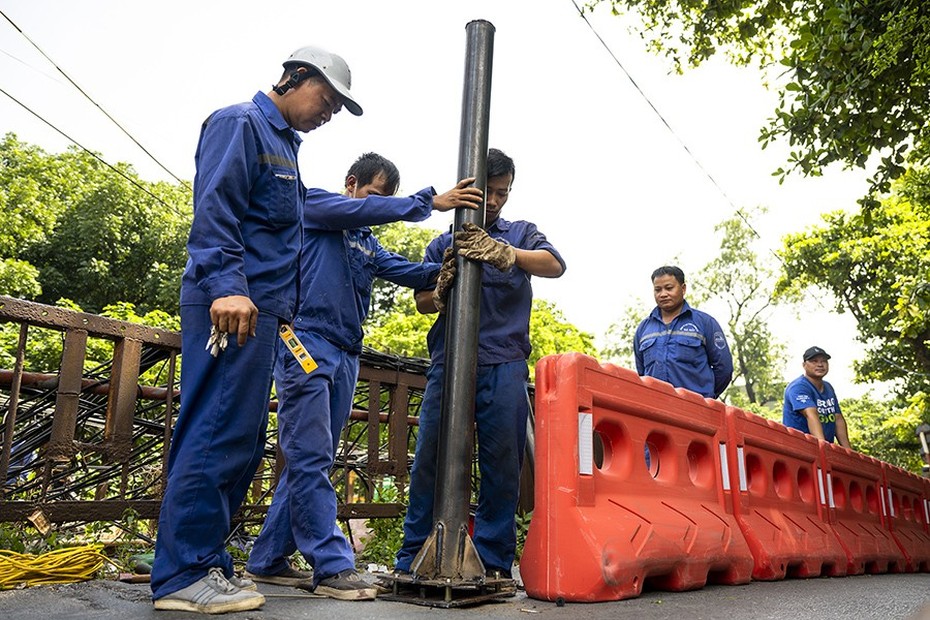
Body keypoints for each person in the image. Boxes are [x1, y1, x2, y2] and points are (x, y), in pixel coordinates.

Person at [151, 46, 362, 615]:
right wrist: (225, 284)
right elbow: (215, 208)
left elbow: (277, 242)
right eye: (327, 99)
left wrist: (279, 307)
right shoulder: (239, 123)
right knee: (215, 430)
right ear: (295, 78)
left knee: (239, 440)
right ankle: (181, 575)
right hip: (229, 303)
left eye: (339, 108)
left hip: (262, 312)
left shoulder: (286, 148)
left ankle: (207, 563)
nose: (329, 113)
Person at [243, 153, 482, 599]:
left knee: (311, 458)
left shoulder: (367, 244)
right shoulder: (315, 206)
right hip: (305, 344)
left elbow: (411, 272)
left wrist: (453, 264)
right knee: (310, 454)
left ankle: (269, 559)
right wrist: (428, 203)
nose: (376, 207)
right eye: (374, 196)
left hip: (346, 353)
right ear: (351, 184)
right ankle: (333, 566)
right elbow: (358, 211)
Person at [394, 148, 566, 578]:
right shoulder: (442, 241)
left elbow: (555, 265)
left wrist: (505, 253)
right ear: (470, 189)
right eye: (487, 192)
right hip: (449, 361)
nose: (493, 201)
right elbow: (421, 303)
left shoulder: (522, 232)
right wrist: (442, 288)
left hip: (503, 363)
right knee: (430, 459)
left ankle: (492, 563)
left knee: (501, 463)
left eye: (502, 193)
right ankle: (413, 557)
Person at [633, 265, 733, 399]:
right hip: (656, 409)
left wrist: (704, 397)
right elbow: (642, 372)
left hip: (696, 409)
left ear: (683, 288)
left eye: (669, 288)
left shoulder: (705, 323)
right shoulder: (643, 329)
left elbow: (724, 368)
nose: (663, 294)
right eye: (658, 289)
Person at [782, 346, 852, 448]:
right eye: (814, 361)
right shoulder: (798, 387)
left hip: (820, 451)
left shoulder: (828, 387)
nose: (820, 364)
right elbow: (811, 414)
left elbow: (837, 418)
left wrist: (849, 452)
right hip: (799, 449)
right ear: (804, 365)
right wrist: (823, 448)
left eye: (824, 361)